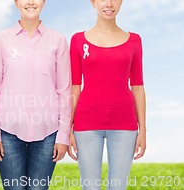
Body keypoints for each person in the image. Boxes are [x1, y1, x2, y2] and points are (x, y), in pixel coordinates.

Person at [0, 0, 71, 189]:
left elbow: (64, 91)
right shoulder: (1, 39)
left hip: (48, 133)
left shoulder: (58, 40)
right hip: (8, 132)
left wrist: (63, 134)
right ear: (16, 3)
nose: (31, 2)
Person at [68, 0, 147, 189]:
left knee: (118, 186)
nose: (109, 4)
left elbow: (137, 86)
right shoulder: (78, 40)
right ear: (93, 2)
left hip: (125, 124)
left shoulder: (134, 40)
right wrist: (68, 128)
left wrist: (142, 130)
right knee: (90, 186)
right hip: (86, 124)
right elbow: (74, 87)